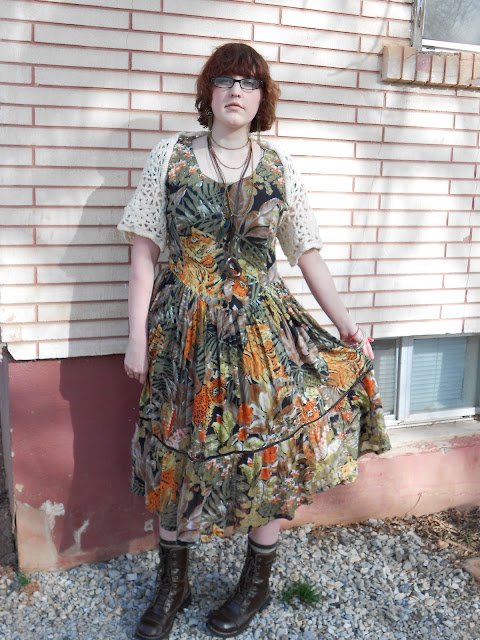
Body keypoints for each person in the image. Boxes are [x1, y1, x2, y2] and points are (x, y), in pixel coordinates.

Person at [118, 42, 391, 640]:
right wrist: (135, 338)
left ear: (262, 97)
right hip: (182, 338)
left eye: (248, 82)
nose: (235, 91)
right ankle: (174, 584)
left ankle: (256, 584)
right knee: (176, 453)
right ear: (208, 92)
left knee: (266, 455)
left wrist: (346, 326)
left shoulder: (279, 167)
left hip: (262, 338)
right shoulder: (169, 157)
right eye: (225, 79)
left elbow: (307, 254)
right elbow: (142, 254)